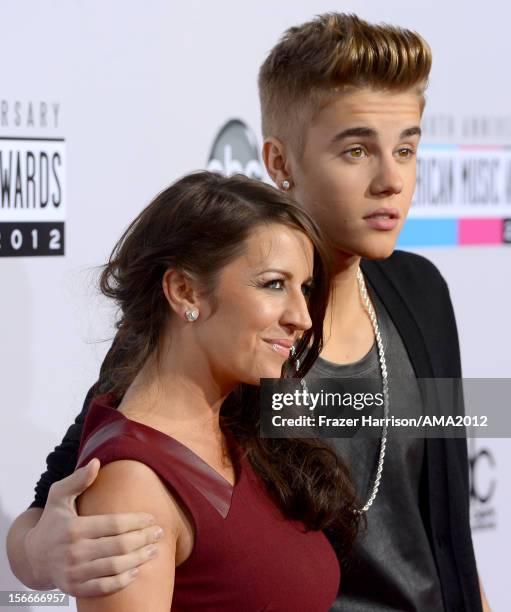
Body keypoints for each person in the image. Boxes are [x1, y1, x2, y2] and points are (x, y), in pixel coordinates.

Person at [6, 12, 489, 612]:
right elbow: (57, 499)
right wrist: (40, 554)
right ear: (280, 162)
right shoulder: (220, 330)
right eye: (357, 149)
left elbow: (447, 527)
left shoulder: (423, 291)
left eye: (408, 147)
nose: (392, 179)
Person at [52, 170, 360, 610]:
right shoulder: (132, 485)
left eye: (304, 288)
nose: (302, 316)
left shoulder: (249, 424)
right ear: (185, 291)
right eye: (274, 284)